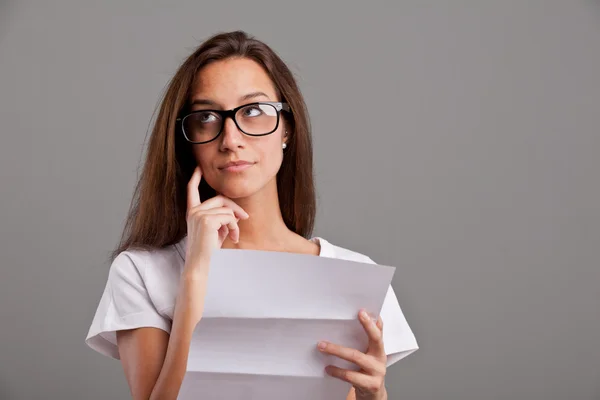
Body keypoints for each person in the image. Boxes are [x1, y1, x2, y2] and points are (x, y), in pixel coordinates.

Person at [85, 30, 416, 400]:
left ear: (287, 128)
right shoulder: (141, 273)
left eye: (254, 111)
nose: (230, 139)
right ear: (187, 139)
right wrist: (196, 274)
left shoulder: (354, 276)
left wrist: (375, 396)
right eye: (207, 117)